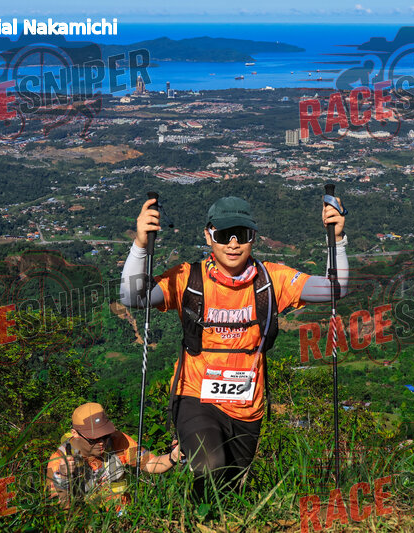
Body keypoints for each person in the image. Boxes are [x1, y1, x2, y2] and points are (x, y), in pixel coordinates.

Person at [120, 196, 347, 499]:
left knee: (230, 489)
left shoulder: (271, 279)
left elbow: (334, 289)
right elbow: (133, 297)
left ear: (254, 237)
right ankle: (195, 513)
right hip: (195, 395)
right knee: (208, 464)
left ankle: (201, 516)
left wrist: (337, 239)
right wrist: (140, 244)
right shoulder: (189, 278)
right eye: (224, 235)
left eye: (242, 234)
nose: (233, 244)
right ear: (208, 236)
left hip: (247, 406)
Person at [46, 402, 181, 512]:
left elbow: (150, 463)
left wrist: (173, 457)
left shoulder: (118, 441)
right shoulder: (59, 460)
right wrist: (62, 477)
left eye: (105, 436)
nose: (102, 442)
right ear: (75, 433)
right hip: (89, 523)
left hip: (124, 516)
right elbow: (59, 508)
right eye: (94, 439)